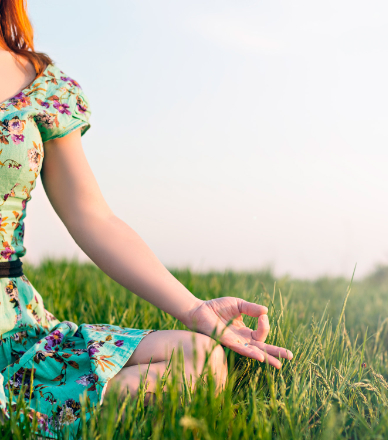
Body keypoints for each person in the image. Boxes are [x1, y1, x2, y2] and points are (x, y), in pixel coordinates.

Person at [0, 1, 293, 436]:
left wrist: (194, 309)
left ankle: (39, 416)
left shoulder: (40, 84)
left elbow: (93, 218)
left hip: (14, 325)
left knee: (199, 361)